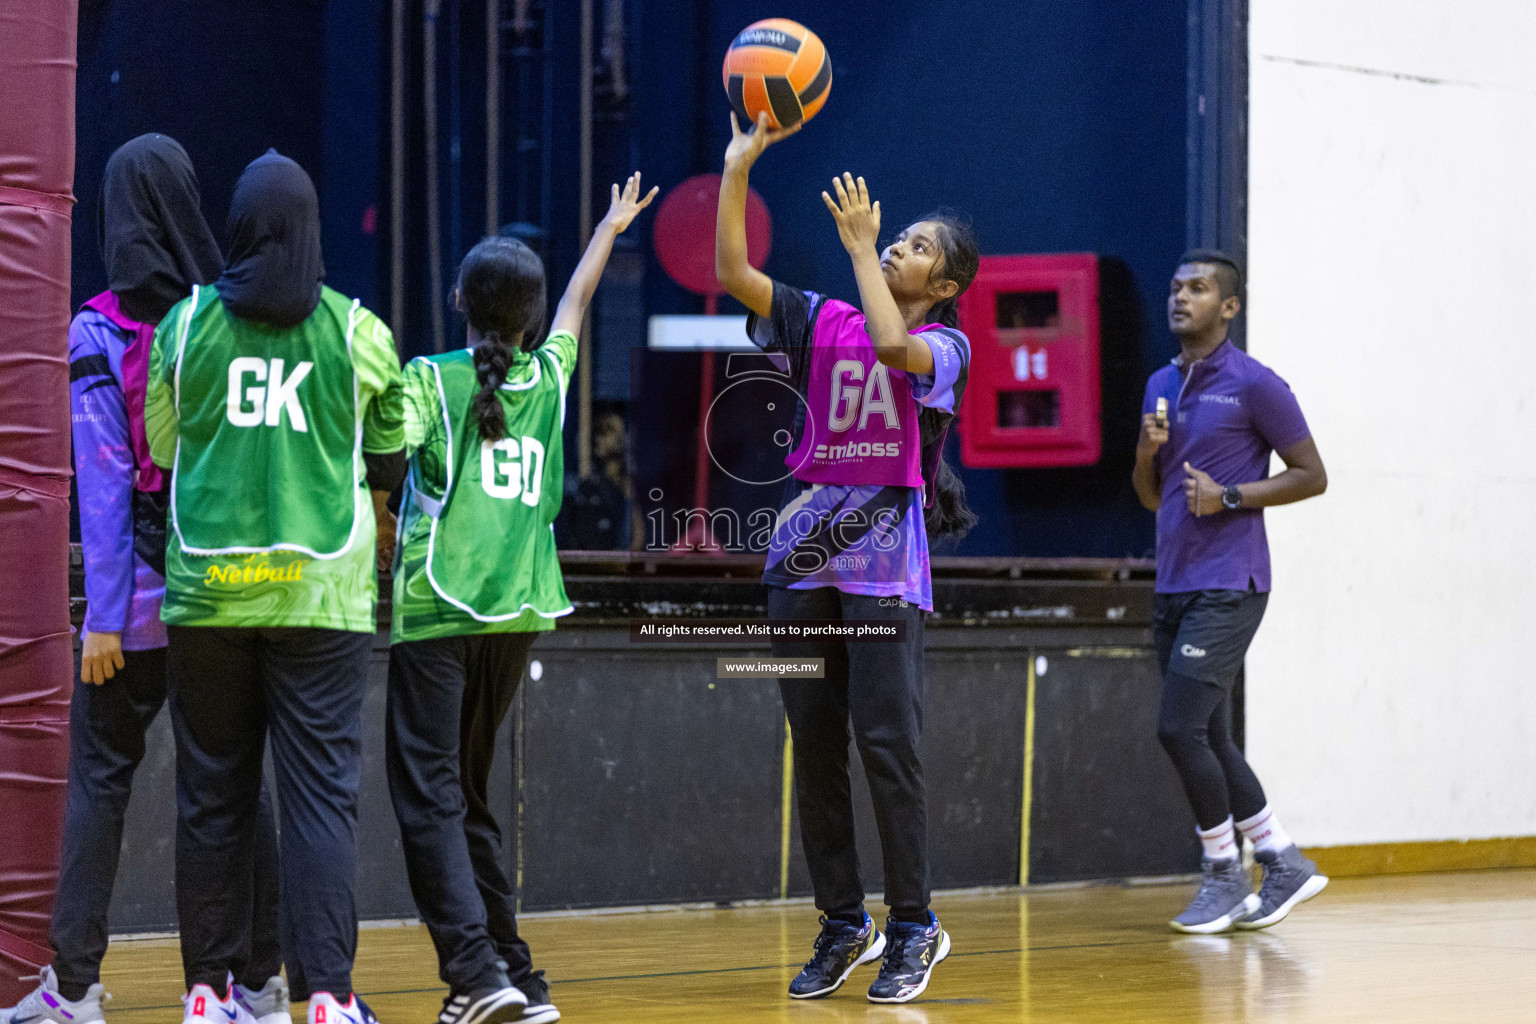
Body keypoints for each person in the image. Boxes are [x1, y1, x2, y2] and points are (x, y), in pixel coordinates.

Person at [2, 134, 286, 1024]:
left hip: (142, 615)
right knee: (238, 789)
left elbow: (105, 486)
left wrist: (105, 619)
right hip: (232, 600)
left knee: (99, 782)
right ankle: (261, 983)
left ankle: (75, 990)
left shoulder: (97, 329)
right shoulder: (227, 320)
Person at [715, 114, 977, 1005]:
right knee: (814, 745)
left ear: (943, 283)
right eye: (893, 239)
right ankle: (842, 922)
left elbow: (894, 347)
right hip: (801, 562)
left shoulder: (948, 347)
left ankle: (915, 926)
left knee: (887, 747)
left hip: (880, 571)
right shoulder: (818, 319)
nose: (894, 244)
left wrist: (865, 251)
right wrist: (736, 171)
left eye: (913, 247)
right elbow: (731, 274)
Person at [385, 173, 656, 1024]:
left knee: (430, 794)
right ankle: (519, 978)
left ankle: (476, 974)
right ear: (530, 320)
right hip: (518, 611)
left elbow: (381, 462)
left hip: (439, 607)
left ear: (460, 299)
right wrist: (607, 229)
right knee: (465, 794)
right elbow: (577, 302)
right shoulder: (546, 378)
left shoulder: (431, 380)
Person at [142, 151, 404, 1024]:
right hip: (321, 601)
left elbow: (166, 448)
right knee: (320, 803)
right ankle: (326, 994)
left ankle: (209, 995)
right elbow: (392, 439)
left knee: (210, 800)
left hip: (209, 598)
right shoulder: (357, 330)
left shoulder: (182, 329)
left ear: (240, 226)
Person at [1133, 250, 1330, 934]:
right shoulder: (1161, 380)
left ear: (1229, 307)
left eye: (1198, 288)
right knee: (1209, 731)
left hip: (1231, 581)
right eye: (1175, 285)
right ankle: (1282, 859)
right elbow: (1151, 495)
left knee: (1178, 727)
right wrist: (1142, 451)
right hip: (1174, 580)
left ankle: (1224, 873)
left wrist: (1234, 496)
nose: (1180, 296)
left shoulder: (1256, 385)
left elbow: (1313, 475)